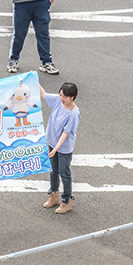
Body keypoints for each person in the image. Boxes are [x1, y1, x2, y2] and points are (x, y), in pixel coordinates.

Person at [39, 81, 79, 214]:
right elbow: (44, 95)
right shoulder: (57, 100)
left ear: (72, 97)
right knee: (53, 170)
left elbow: (66, 133)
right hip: (52, 142)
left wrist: (56, 148)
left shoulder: (73, 113)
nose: (61, 98)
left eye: (64, 97)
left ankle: (67, 201)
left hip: (63, 148)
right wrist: (34, 80)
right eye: (60, 95)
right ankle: (54, 195)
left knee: (64, 173)